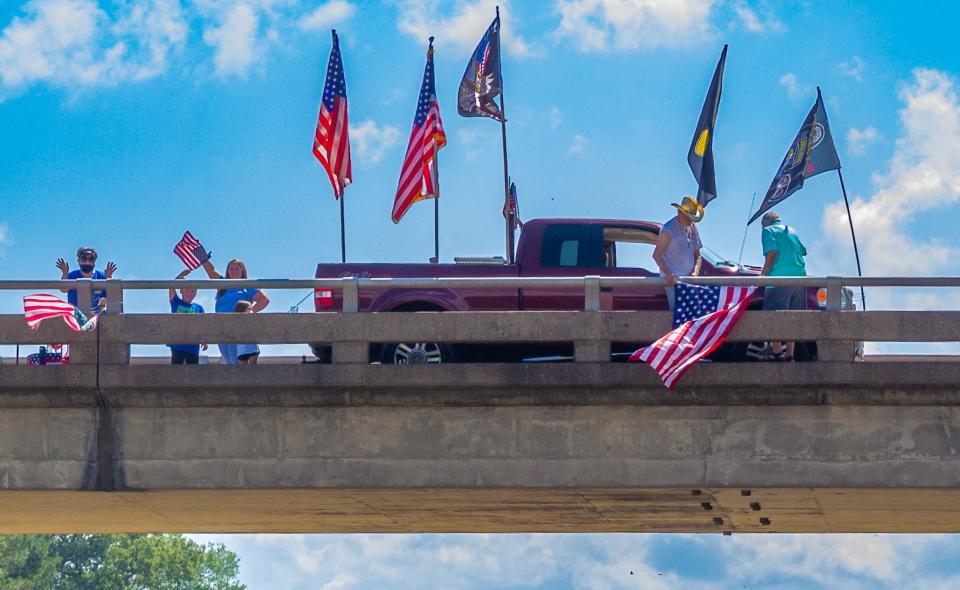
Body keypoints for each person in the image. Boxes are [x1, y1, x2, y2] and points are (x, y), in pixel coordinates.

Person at [201, 257, 269, 365]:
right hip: (221, 327)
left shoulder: (247, 287)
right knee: (229, 361)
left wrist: (250, 313)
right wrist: (202, 257)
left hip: (238, 326)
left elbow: (264, 300)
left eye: (237, 268)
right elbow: (211, 272)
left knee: (238, 361)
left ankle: (244, 381)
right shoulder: (223, 285)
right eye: (231, 269)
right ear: (228, 271)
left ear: (242, 270)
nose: (234, 271)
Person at [759, 211, 808, 361]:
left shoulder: (768, 231)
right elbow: (803, 251)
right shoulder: (791, 230)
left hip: (779, 279)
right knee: (792, 317)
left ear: (765, 223)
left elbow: (772, 252)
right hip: (799, 279)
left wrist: (763, 275)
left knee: (773, 316)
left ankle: (777, 351)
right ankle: (790, 354)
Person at [652, 196, 703, 309]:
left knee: (692, 312)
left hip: (690, 281)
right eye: (689, 216)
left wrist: (695, 273)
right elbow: (656, 255)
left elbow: (698, 255)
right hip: (673, 281)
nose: (691, 219)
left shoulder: (693, 227)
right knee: (677, 311)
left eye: (692, 216)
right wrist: (668, 274)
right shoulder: (668, 229)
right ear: (680, 212)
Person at [56, 247, 117, 314]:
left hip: (98, 316)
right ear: (78, 260)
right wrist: (65, 274)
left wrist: (108, 278)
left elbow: (112, 294)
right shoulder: (72, 275)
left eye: (91, 259)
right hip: (77, 315)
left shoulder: (101, 275)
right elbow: (63, 290)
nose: (87, 262)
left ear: (94, 261)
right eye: (84, 259)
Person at [168, 269, 208, 364]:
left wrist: (205, 340)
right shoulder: (176, 302)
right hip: (178, 344)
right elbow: (171, 287)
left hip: (193, 345)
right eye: (187, 290)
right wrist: (180, 276)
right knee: (176, 368)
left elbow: (203, 325)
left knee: (193, 369)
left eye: (193, 291)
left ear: (195, 294)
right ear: (181, 290)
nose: (190, 293)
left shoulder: (198, 308)